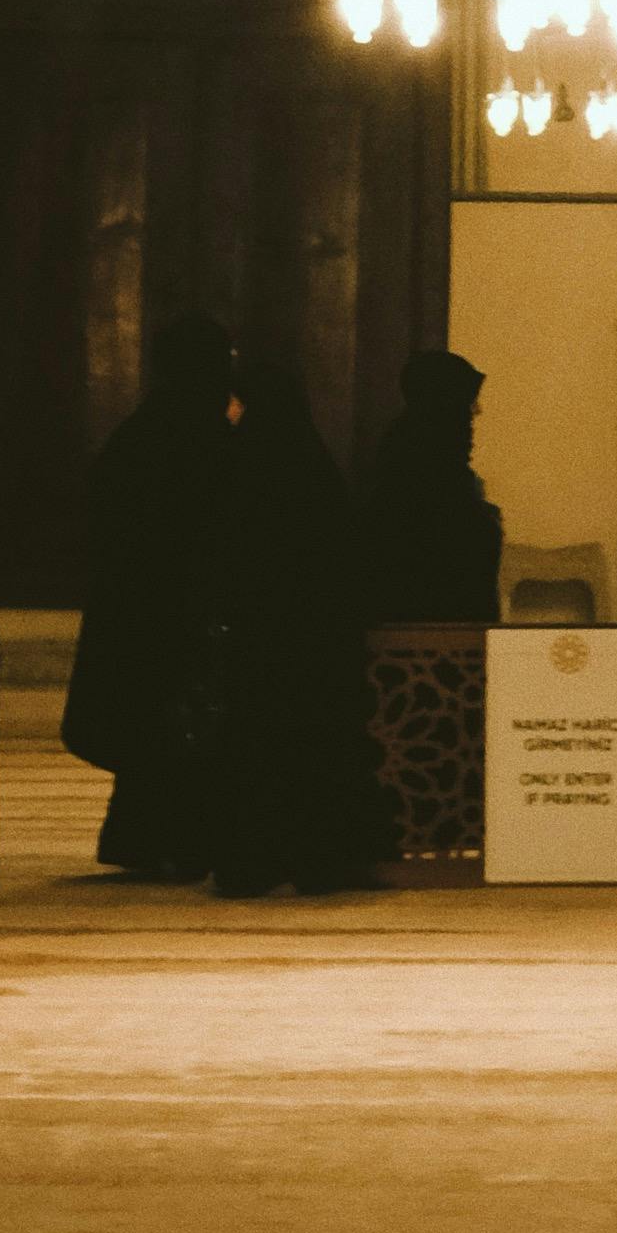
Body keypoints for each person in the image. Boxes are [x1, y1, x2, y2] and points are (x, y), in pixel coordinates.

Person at [203, 355, 397, 896]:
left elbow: (225, 552)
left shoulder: (240, 463)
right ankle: (319, 860)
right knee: (312, 749)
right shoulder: (312, 465)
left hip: (258, 641)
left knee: (257, 747)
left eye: (239, 401)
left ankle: (252, 861)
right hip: (313, 643)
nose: (232, 411)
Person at [60, 308, 235, 881]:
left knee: (151, 740)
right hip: (189, 613)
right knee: (181, 734)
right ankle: (187, 843)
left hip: (141, 613)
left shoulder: (139, 434)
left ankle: (144, 841)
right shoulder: (205, 436)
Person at [356, 346, 503, 624]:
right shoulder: (426, 466)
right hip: (430, 638)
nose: (478, 410)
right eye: (470, 400)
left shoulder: (402, 453)